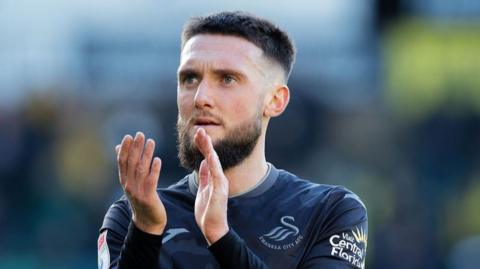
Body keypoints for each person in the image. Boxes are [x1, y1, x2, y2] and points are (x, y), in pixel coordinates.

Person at [98, 11, 368, 269]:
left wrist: (220, 237)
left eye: (227, 79)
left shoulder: (329, 212)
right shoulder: (134, 215)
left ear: (275, 100)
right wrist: (145, 232)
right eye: (189, 79)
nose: (200, 97)